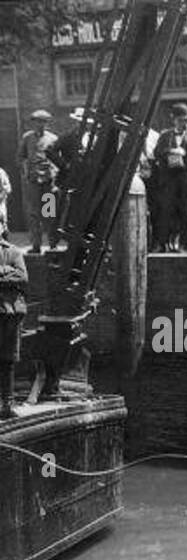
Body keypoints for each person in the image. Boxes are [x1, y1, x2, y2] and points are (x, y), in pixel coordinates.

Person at [153, 102, 187, 251]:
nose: (183, 123)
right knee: (167, 210)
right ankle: (164, 243)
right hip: (169, 180)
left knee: (186, 212)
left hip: (186, 181)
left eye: (185, 120)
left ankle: (184, 242)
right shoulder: (165, 135)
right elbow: (156, 152)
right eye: (180, 120)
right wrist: (171, 151)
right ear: (173, 119)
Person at [17, 110, 58, 254]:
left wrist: (54, 173)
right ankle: (36, 245)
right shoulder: (27, 138)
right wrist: (25, 172)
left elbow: (58, 160)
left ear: (47, 123)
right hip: (33, 182)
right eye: (36, 121)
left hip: (48, 182)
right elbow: (21, 157)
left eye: (43, 121)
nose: (39, 124)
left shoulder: (53, 139)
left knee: (49, 213)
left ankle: (53, 245)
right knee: (34, 214)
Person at [0, 231, 27, 419]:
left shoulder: (13, 252)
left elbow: (22, 277)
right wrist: (5, 270)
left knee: (8, 359)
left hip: (8, 313)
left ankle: (7, 404)